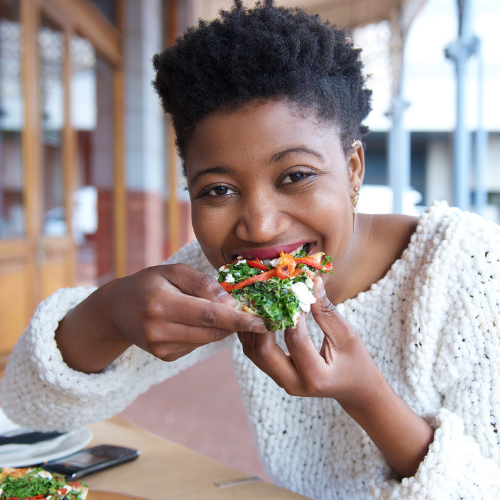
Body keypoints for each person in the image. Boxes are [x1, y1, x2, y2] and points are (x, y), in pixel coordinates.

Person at [2, 1, 500, 498]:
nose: (260, 228)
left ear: (353, 170)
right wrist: (108, 314)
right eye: (218, 189)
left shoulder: (468, 268)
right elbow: (29, 406)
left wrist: (366, 395)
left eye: (296, 176)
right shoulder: (223, 278)